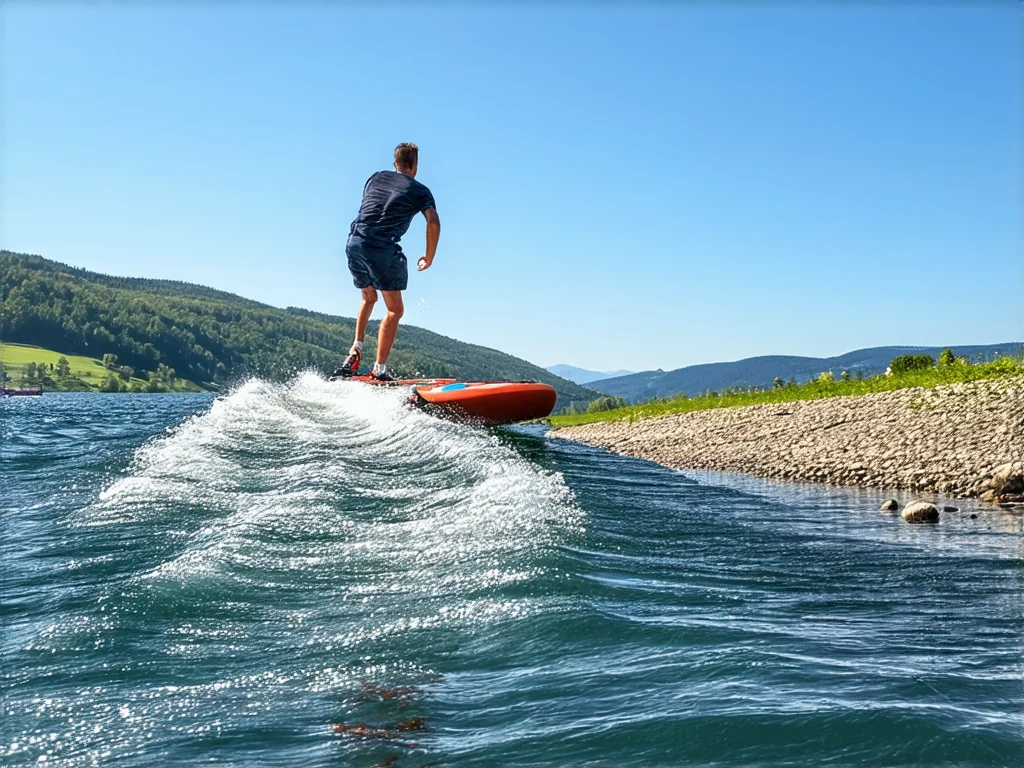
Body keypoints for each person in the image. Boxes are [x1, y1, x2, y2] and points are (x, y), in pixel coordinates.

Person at [332, 142, 441, 381]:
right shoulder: (420, 190)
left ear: (395, 163)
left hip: (354, 244)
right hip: (381, 249)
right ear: (415, 166)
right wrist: (429, 256)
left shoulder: (375, 177)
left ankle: (355, 350)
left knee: (369, 297)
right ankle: (379, 370)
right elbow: (433, 220)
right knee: (394, 309)